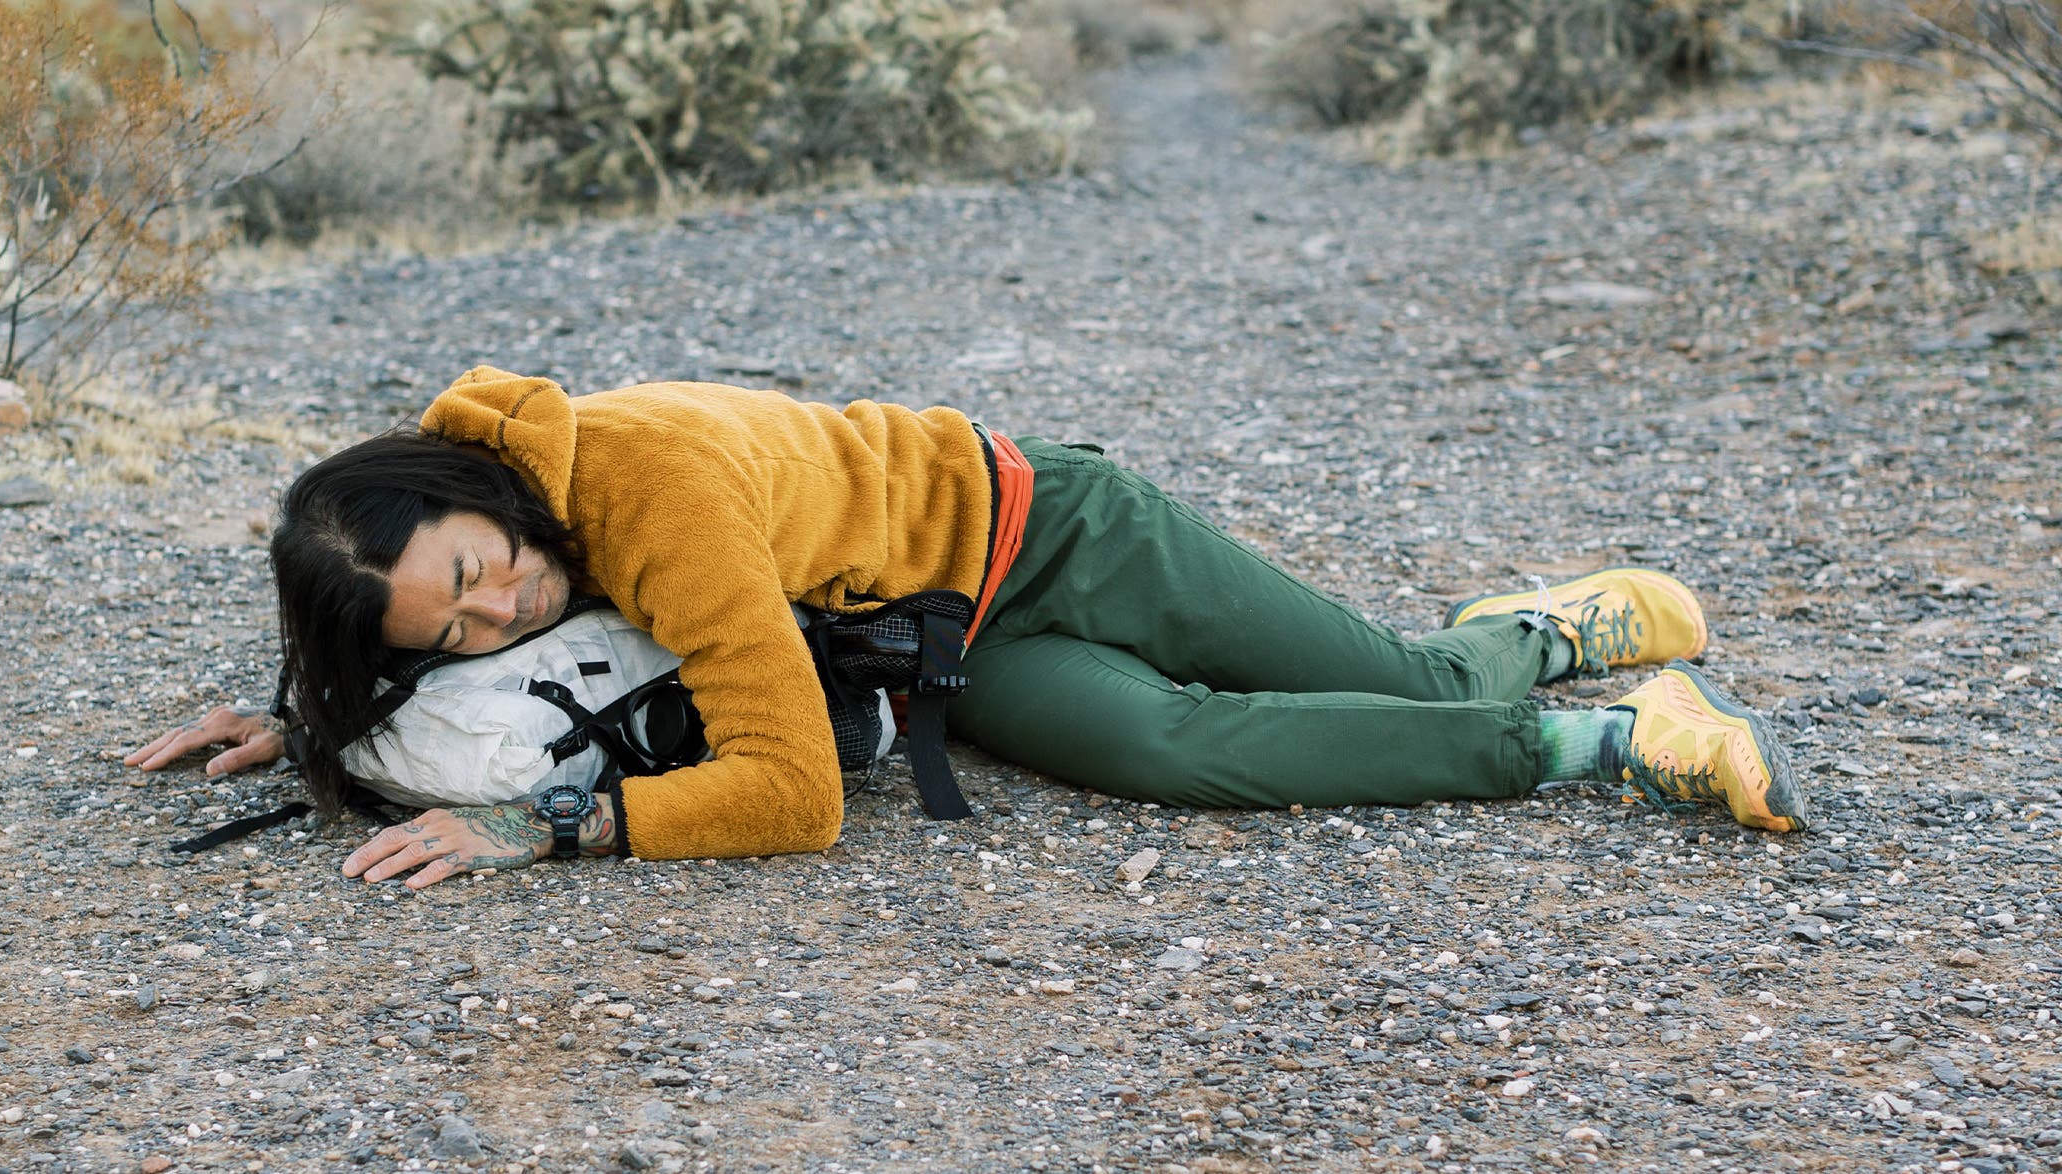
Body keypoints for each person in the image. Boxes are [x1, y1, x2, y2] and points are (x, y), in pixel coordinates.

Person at [128, 367, 1809, 889]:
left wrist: (538, 822)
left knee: (1386, 678)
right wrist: (326, 718)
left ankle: (1528, 633)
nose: (501, 607)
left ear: (482, 490)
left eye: (486, 564)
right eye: (447, 624)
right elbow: (520, 657)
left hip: (1053, 527)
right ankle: (1614, 738)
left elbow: (796, 796)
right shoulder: (486, 530)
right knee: (1160, 747)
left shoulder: (649, 500)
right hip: (943, 642)